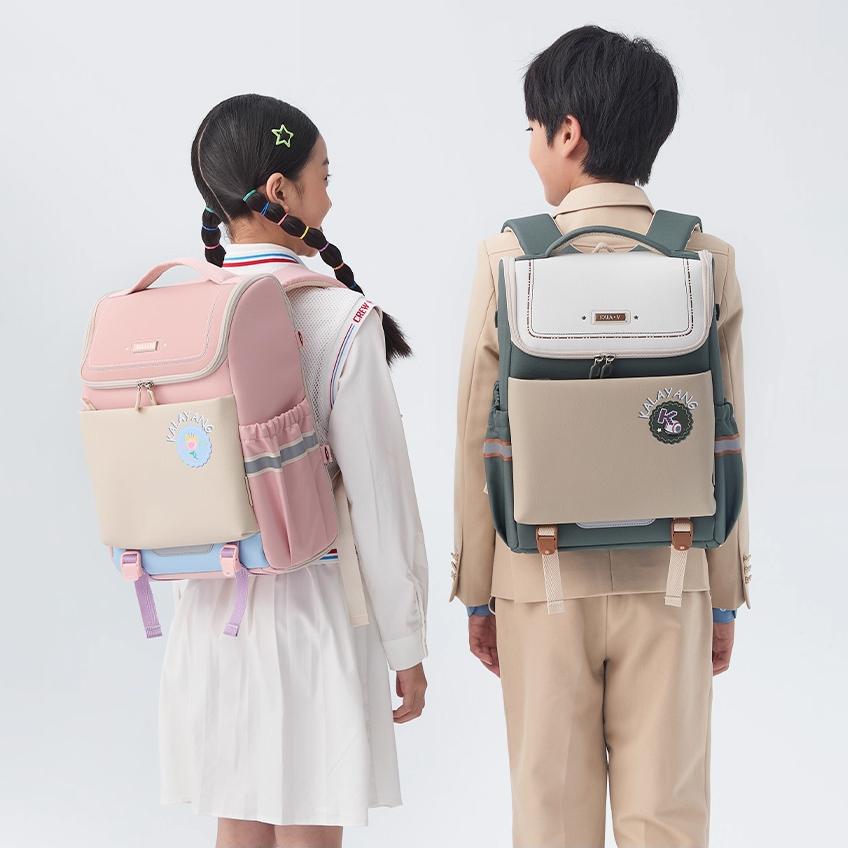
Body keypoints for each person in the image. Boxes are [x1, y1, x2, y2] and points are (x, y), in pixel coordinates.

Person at [451, 26, 751, 847]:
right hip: (675, 569)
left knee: (550, 816)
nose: (531, 147)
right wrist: (724, 593)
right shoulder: (704, 257)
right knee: (668, 817)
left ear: (569, 133)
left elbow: (476, 434)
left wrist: (478, 589)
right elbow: (727, 437)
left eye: (532, 129)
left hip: (536, 572)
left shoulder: (507, 257)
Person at [159, 94, 429, 848]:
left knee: (238, 818)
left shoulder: (186, 309)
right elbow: (379, 499)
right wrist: (407, 644)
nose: (330, 198)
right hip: (313, 607)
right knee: (310, 818)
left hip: (209, 608)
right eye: (323, 177)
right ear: (280, 191)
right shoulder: (341, 318)